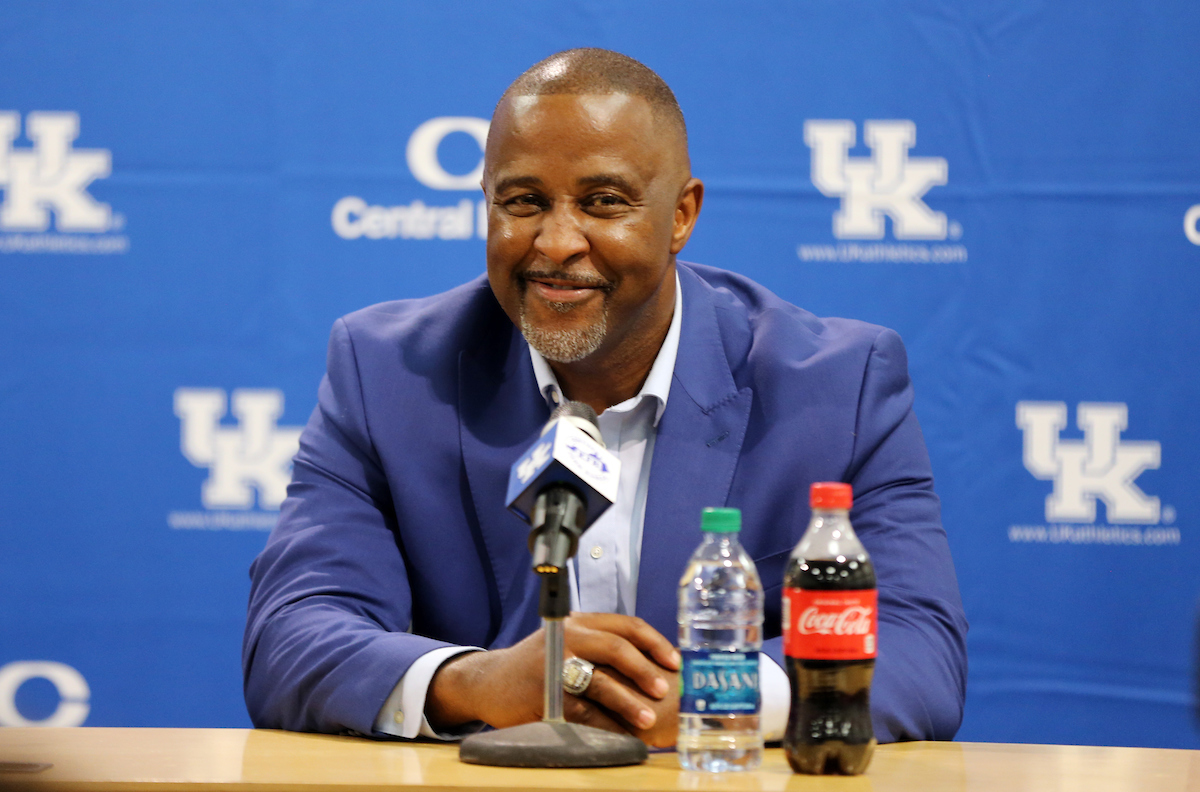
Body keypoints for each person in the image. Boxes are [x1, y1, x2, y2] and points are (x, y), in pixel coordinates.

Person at [243, 48, 967, 748]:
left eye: (603, 202)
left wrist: (712, 696)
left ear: (682, 214)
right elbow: (291, 632)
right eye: (522, 202)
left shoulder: (839, 384)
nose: (556, 242)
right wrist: (476, 682)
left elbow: (918, 645)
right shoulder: (386, 373)